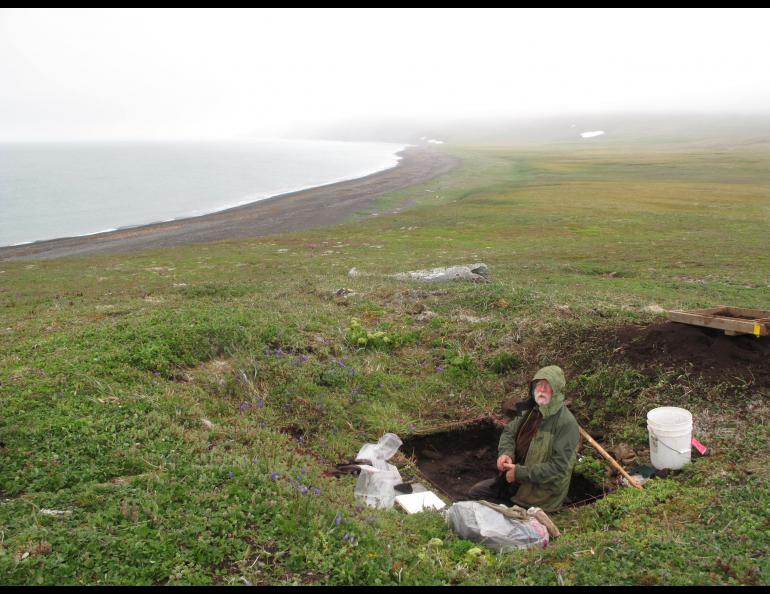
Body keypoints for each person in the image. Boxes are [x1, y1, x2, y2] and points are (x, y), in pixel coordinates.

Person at [468, 365, 579, 511]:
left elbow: (558, 468)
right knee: (476, 493)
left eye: (547, 386)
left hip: (538, 497)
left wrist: (519, 473)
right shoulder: (530, 410)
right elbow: (509, 432)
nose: (541, 390)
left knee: (501, 516)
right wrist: (506, 453)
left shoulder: (566, 424)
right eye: (538, 385)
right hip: (512, 481)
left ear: (556, 390)